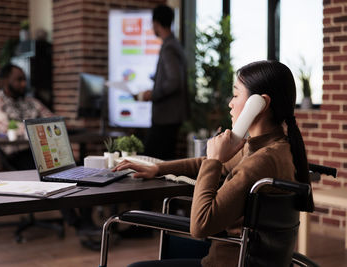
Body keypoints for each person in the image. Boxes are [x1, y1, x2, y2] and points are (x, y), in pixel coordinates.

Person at [114, 60, 314, 267]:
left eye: (236, 95)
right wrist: (158, 168)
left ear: (259, 104)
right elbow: (208, 163)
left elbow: (200, 226)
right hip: (242, 255)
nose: (230, 103)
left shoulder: (261, 161)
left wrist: (215, 159)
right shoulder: (274, 148)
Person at [0, 63, 98, 248]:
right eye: (18, 80)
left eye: (24, 79)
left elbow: (52, 119)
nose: (23, 84)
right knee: (54, 175)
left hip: (42, 150)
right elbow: (7, 127)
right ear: (6, 81)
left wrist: (56, 125)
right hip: (17, 154)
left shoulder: (31, 101)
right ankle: (78, 225)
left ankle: (87, 221)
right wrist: (37, 127)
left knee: (82, 170)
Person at [137, 4, 189, 160]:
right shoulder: (175, 44)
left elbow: (174, 82)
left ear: (156, 23)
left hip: (166, 116)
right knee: (163, 160)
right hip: (172, 116)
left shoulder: (168, 48)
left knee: (151, 160)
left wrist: (152, 94)